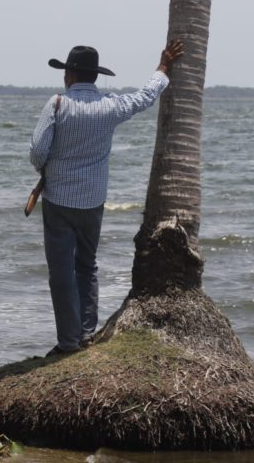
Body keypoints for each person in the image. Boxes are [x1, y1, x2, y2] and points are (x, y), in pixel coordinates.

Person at [29, 40, 184, 356]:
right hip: (93, 201)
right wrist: (163, 68)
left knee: (62, 272)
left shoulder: (57, 105)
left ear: (69, 74)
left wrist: (47, 168)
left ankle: (68, 342)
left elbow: (37, 152)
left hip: (59, 199)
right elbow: (144, 98)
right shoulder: (110, 106)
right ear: (94, 76)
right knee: (87, 266)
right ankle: (86, 333)